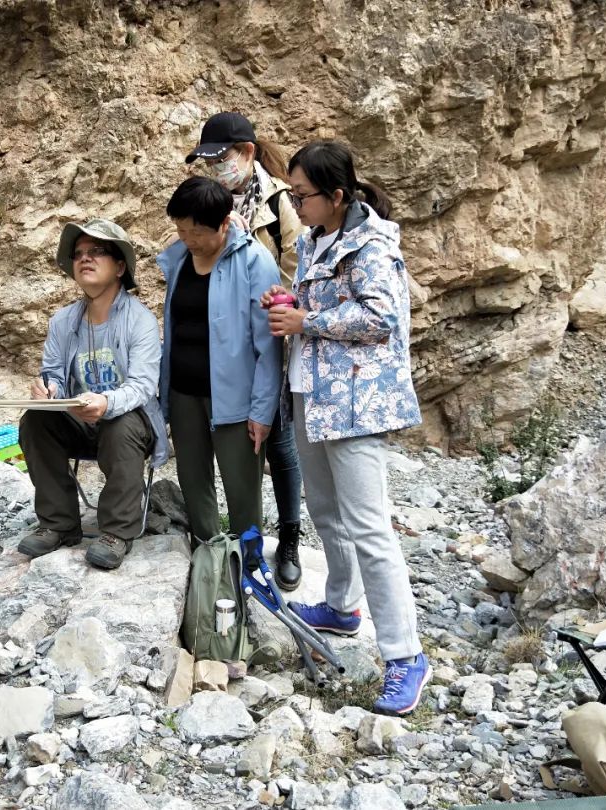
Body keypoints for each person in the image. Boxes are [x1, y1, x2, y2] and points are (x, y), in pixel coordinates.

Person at [262, 140, 429, 715]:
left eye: (302, 195)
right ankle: (341, 606)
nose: (295, 204)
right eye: (290, 193)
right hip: (314, 396)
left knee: (370, 528)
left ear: (336, 196)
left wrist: (306, 318)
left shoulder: (373, 245)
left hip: (358, 403)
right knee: (327, 513)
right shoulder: (314, 240)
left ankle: (406, 656)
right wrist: (291, 303)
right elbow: (325, 311)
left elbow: (382, 317)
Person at [186, 111, 307, 590]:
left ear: (248, 153)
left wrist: (275, 296)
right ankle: (233, 539)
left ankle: (290, 539)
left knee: (278, 441)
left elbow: (301, 274)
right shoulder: (209, 201)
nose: (215, 168)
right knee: (238, 438)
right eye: (207, 160)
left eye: (221, 158)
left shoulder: (280, 206)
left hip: (273, 332)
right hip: (222, 342)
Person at [17, 218, 168, 570]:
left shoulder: (139, 320)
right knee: (36, 419)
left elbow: (143, 385)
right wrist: (48, 389)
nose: (85, 258)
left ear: (119, 267)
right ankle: (58, 524)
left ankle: (117, 531)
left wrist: (106, 403)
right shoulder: (63, 321)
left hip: (128, 426)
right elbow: (53, 370)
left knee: (120, 422)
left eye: (97, 252)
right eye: (79, 253)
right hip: (80, 421)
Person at [158, 176, 281, 544]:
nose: (188, 239)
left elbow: (270, 345)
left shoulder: (254, 262)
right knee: (193, 482)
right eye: (181, 230)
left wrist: (262, 411)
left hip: (235, 402)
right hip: (184, 393)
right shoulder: (180, 258)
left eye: (197, 232)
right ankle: (208, 558)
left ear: (225, 223)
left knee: (242, 489)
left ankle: (249, 566)